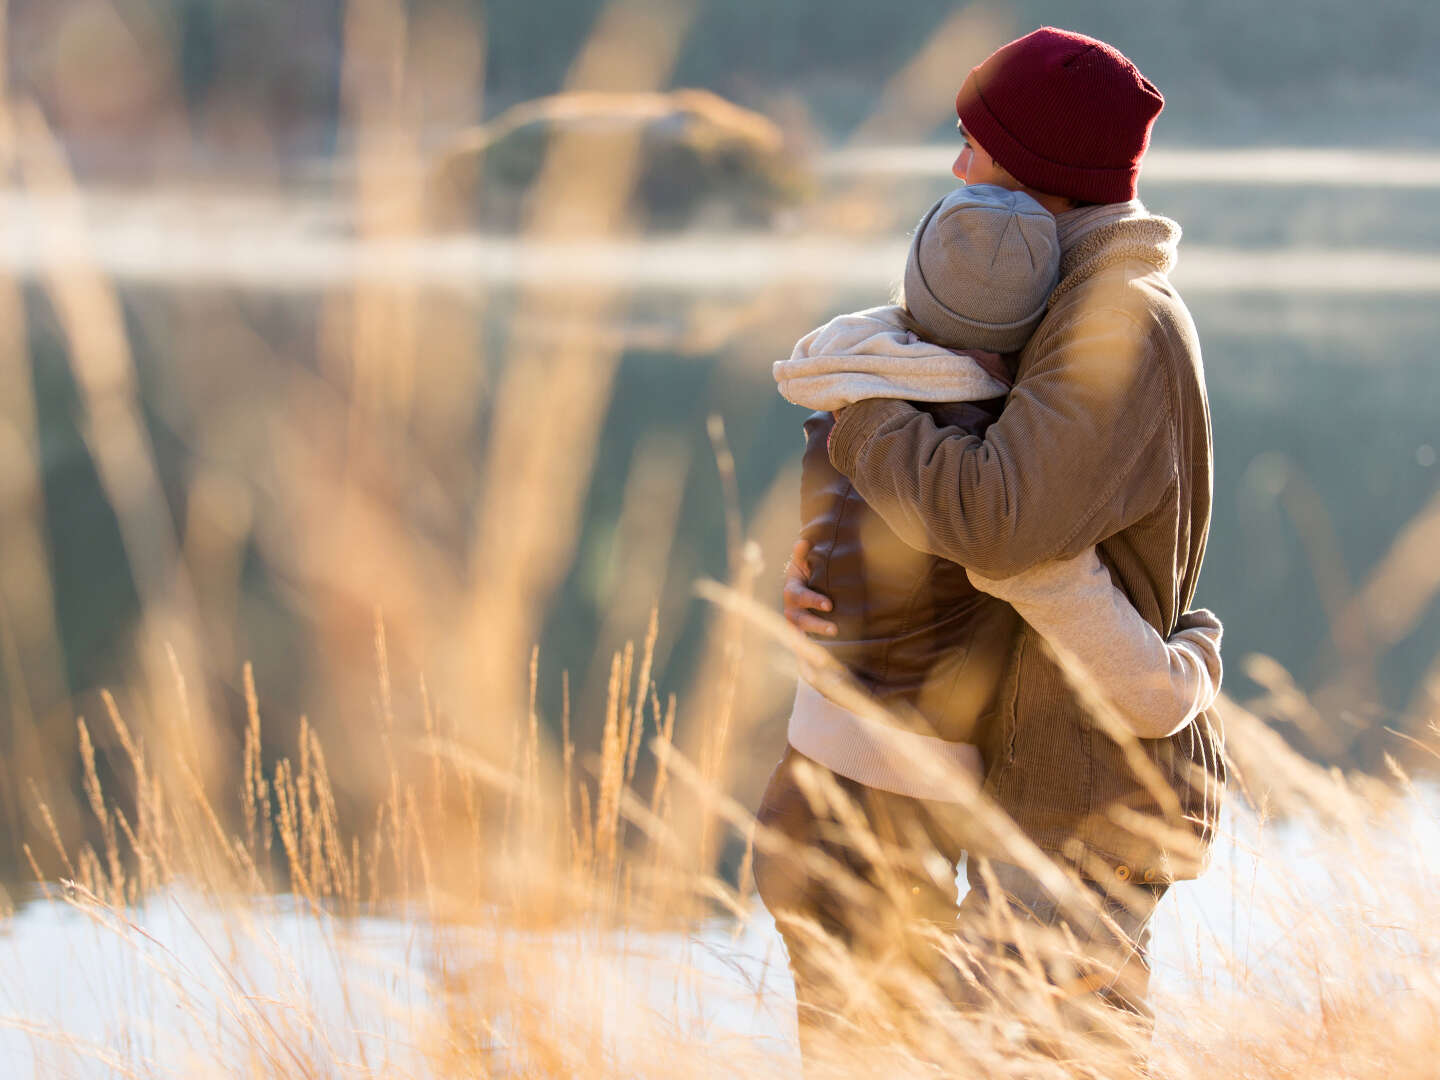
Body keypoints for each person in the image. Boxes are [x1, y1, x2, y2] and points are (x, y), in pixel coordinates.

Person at [763, 25, 1224, 1059]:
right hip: (1040, 776)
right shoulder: (1063, 302)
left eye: (976, 144)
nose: (957, 165)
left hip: (1085, 801)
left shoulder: (1116, 321)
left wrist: (862, 416)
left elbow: (1002, 529)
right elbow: (998, 525)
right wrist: (825, 579)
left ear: (1044, 176)